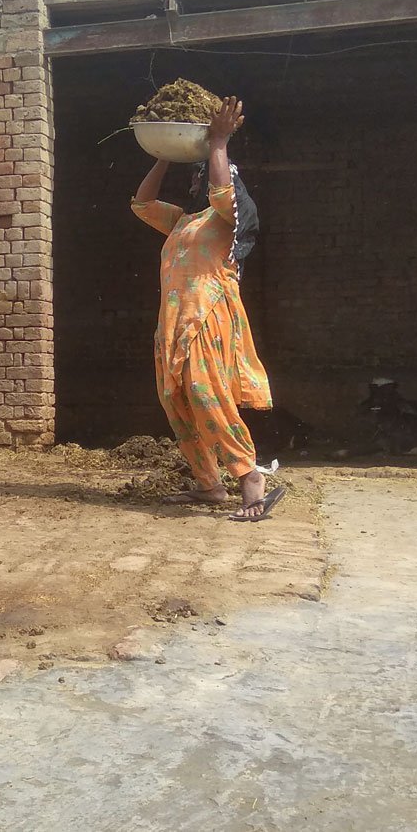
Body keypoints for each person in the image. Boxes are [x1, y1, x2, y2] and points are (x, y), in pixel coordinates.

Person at [131, 96, 285, 522]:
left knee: (206, 395)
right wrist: (162, 154)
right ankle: (209, 485)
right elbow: (142, 205)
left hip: (207, 320)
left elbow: (223, 192)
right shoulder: (184, 221)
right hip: (173, 326)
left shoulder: (225, 220)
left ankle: (249, 475)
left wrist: (218, 142)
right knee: (176, 401)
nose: (204, 182)